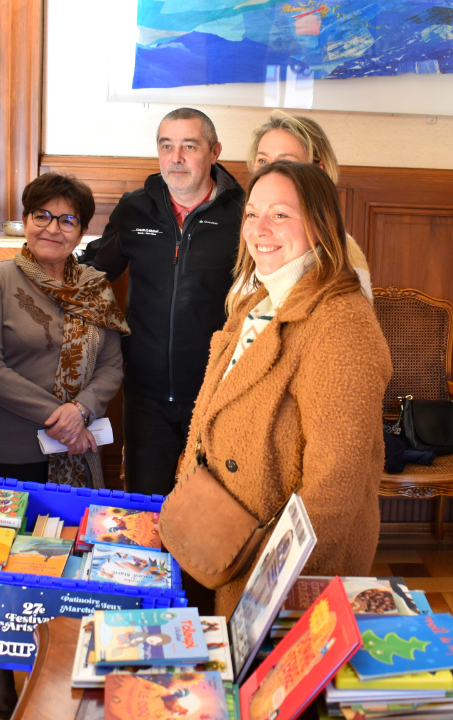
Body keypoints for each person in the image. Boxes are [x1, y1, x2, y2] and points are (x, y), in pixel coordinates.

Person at [179, 160, 391, 616]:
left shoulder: (341, 323)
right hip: (223, 540)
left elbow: (336, 486)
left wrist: (268, 590)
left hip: (282, 574)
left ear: (319, 224)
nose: (260, 229)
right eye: (252, 214)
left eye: (280, 214)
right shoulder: (257, 300)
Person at [0, 172, 128, 718]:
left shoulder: (96, 287)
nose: (53, 228)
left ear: (83, 230)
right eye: (43, 215)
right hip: (11, 448)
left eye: (67, 219)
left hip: (79, 448)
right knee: (10, 562)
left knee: (71, 563)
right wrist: (54, 415)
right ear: (27, 219)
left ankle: (63, 663)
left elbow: (111, 364)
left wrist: (80, 410)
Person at [81, 108, 245, 496]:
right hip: (145, 394)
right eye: (167, 146)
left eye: (190, 146)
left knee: (206, 516)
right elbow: (95, 270)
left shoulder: (243, 214)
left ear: (214, 151)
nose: (177, 158)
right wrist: (37, 268)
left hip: (214, 396)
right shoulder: (135, 207)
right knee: (144, 507)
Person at [244, 110, 372, 301]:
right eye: (262, 161)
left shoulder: (345, 257)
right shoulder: (257, 237)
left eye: (285, 162)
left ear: (319, 171)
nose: (270, 171)